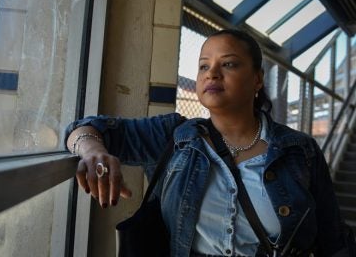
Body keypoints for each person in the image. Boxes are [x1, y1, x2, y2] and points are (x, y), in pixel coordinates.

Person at [65, 29, 350, 256]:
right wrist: (93, 152)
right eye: (204, 66)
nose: (212, 73)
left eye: (228, 64)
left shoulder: (300, 150)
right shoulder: (174, 136)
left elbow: (332, 237)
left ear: (257, 79)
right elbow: (82, 128)